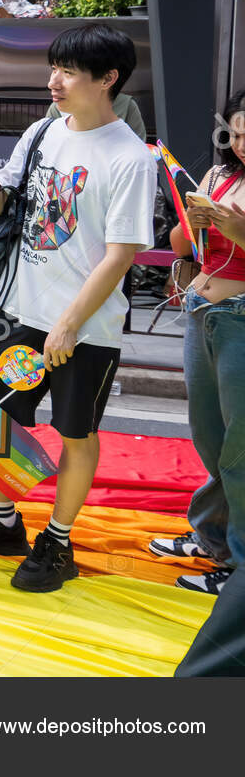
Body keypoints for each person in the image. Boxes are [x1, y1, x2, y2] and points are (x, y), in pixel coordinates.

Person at [0, 25, 155, 592]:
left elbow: (121, 255)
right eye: (52, 68)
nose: (53, 81)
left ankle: (58, 541)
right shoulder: (42, 131)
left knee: (74, 432)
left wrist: (69, 323)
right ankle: (4, 521)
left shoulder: (132, 158)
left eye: (67, 71)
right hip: (20, 313)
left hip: (86, 327)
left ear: (108, 79)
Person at [151, 89, 245, 595]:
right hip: (202, 309)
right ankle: (213, 537)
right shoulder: (216, 175)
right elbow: (186, 246)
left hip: (240, 319)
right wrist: (192, 225)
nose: (244, 143)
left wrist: (234, 225)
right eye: (237, 132)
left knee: (240, 447)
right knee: (210, 436)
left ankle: (237, 568)